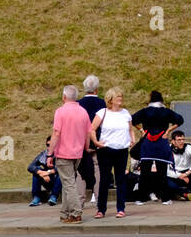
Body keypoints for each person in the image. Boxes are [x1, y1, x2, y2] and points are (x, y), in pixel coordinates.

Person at [50, 85, 95, 224]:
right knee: (67, 182)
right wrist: (86, 147)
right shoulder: (83, 112)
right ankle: (65, 213)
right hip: (78, 153)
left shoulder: (60, 112)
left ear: (64, 97)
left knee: (69, 184)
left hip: (63, 152)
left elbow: (56, 133)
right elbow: (88, 132)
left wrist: (49, 153)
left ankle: (76, 212)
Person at [131, 90, 183, 204]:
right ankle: (165, 198)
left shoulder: (145, 111)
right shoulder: (166, 112)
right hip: (161, 142)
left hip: (147, 143)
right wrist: (168, 130)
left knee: (144, 172)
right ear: (161, 100)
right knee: (162, 172)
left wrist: (141, 130)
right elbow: (180, 120)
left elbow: (131, 119)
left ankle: (140, 198)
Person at [92, 88, 133, 219]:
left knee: (120, 179)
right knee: (104, 180)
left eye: (121, 97)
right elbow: (91, 129)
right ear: (111, 99)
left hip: (122, 150)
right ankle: (101, 209)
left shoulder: (125, 113)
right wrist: (97, 143)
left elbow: (130, 129)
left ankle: (121, 208)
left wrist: (132, 139)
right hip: (106, 150)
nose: (120, 99)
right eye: (118, 97)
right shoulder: (102, 113)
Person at [78, 75, 105, 206]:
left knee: (80, 170)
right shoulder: (102, 103)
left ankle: (80, 200)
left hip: (80, 141)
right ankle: (99, 198)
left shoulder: (78, 104)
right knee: (98, 168)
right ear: (97, 89)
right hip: (99, 140)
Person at [166, 130, 191, 200]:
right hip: (174, 175)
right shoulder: (167, 150)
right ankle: (183, 193)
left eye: (183, 139)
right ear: (173, 141)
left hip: (187, 174)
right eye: (179, 140)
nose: (182, 142)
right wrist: (179, 175)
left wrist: (187, 173)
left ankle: (189, 190)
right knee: (167, 182)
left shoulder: (188, 148)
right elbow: (165, 168)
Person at [27, 136, 62, 206]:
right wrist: (42, 173)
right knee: (36, 170)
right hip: (47, 179)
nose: (49, 147)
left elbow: (62, 168)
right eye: (48, 145)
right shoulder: (44, 154)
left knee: (61, 173)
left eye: (52, 145)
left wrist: (48, 172)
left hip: (60, 183)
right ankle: (36, 197)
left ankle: (54, 196)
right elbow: (30, 167)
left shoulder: (61, 154)